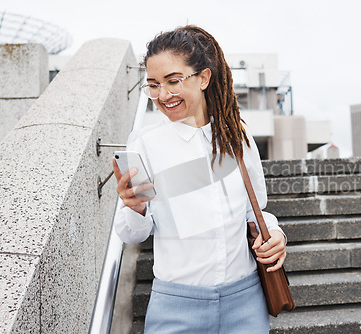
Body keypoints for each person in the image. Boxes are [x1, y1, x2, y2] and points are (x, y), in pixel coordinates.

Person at [112, 25, 287, 333]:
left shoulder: (237, 138)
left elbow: (256, 210)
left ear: (204, 78)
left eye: (173, 81)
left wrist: (275, 235)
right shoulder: (143, 144)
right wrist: (135, 208)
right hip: (176, 307)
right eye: (153, 85)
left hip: (246, 301)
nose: (163, 95)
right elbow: (132, 234)